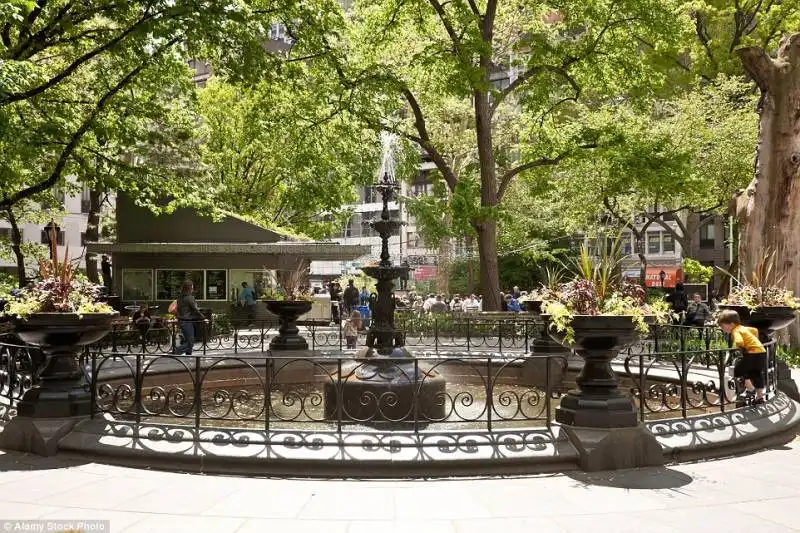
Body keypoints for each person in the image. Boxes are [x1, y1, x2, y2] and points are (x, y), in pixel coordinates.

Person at [717, 309, 767, 404]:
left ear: (731, 324)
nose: (723, 329)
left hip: (752, 353)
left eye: (723, 327)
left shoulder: (735, 331)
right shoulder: (743, 328)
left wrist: (736, 348)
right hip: (761, 352)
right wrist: (754, 340)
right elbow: (755, 330)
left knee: (737, 370)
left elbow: (739, 341)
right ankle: (760, 397)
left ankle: (750, 388)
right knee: (756, 373)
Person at [173, 280, 207, 355]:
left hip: (181, 321)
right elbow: (195, 309)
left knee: (187, 340)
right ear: (190, 288)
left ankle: (188, 356)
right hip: (187, 321)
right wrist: (203, 318)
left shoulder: (180, 297)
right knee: (190, 343)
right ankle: (175, 352)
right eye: (192, 287)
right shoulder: (189, 298)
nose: (193, 288)